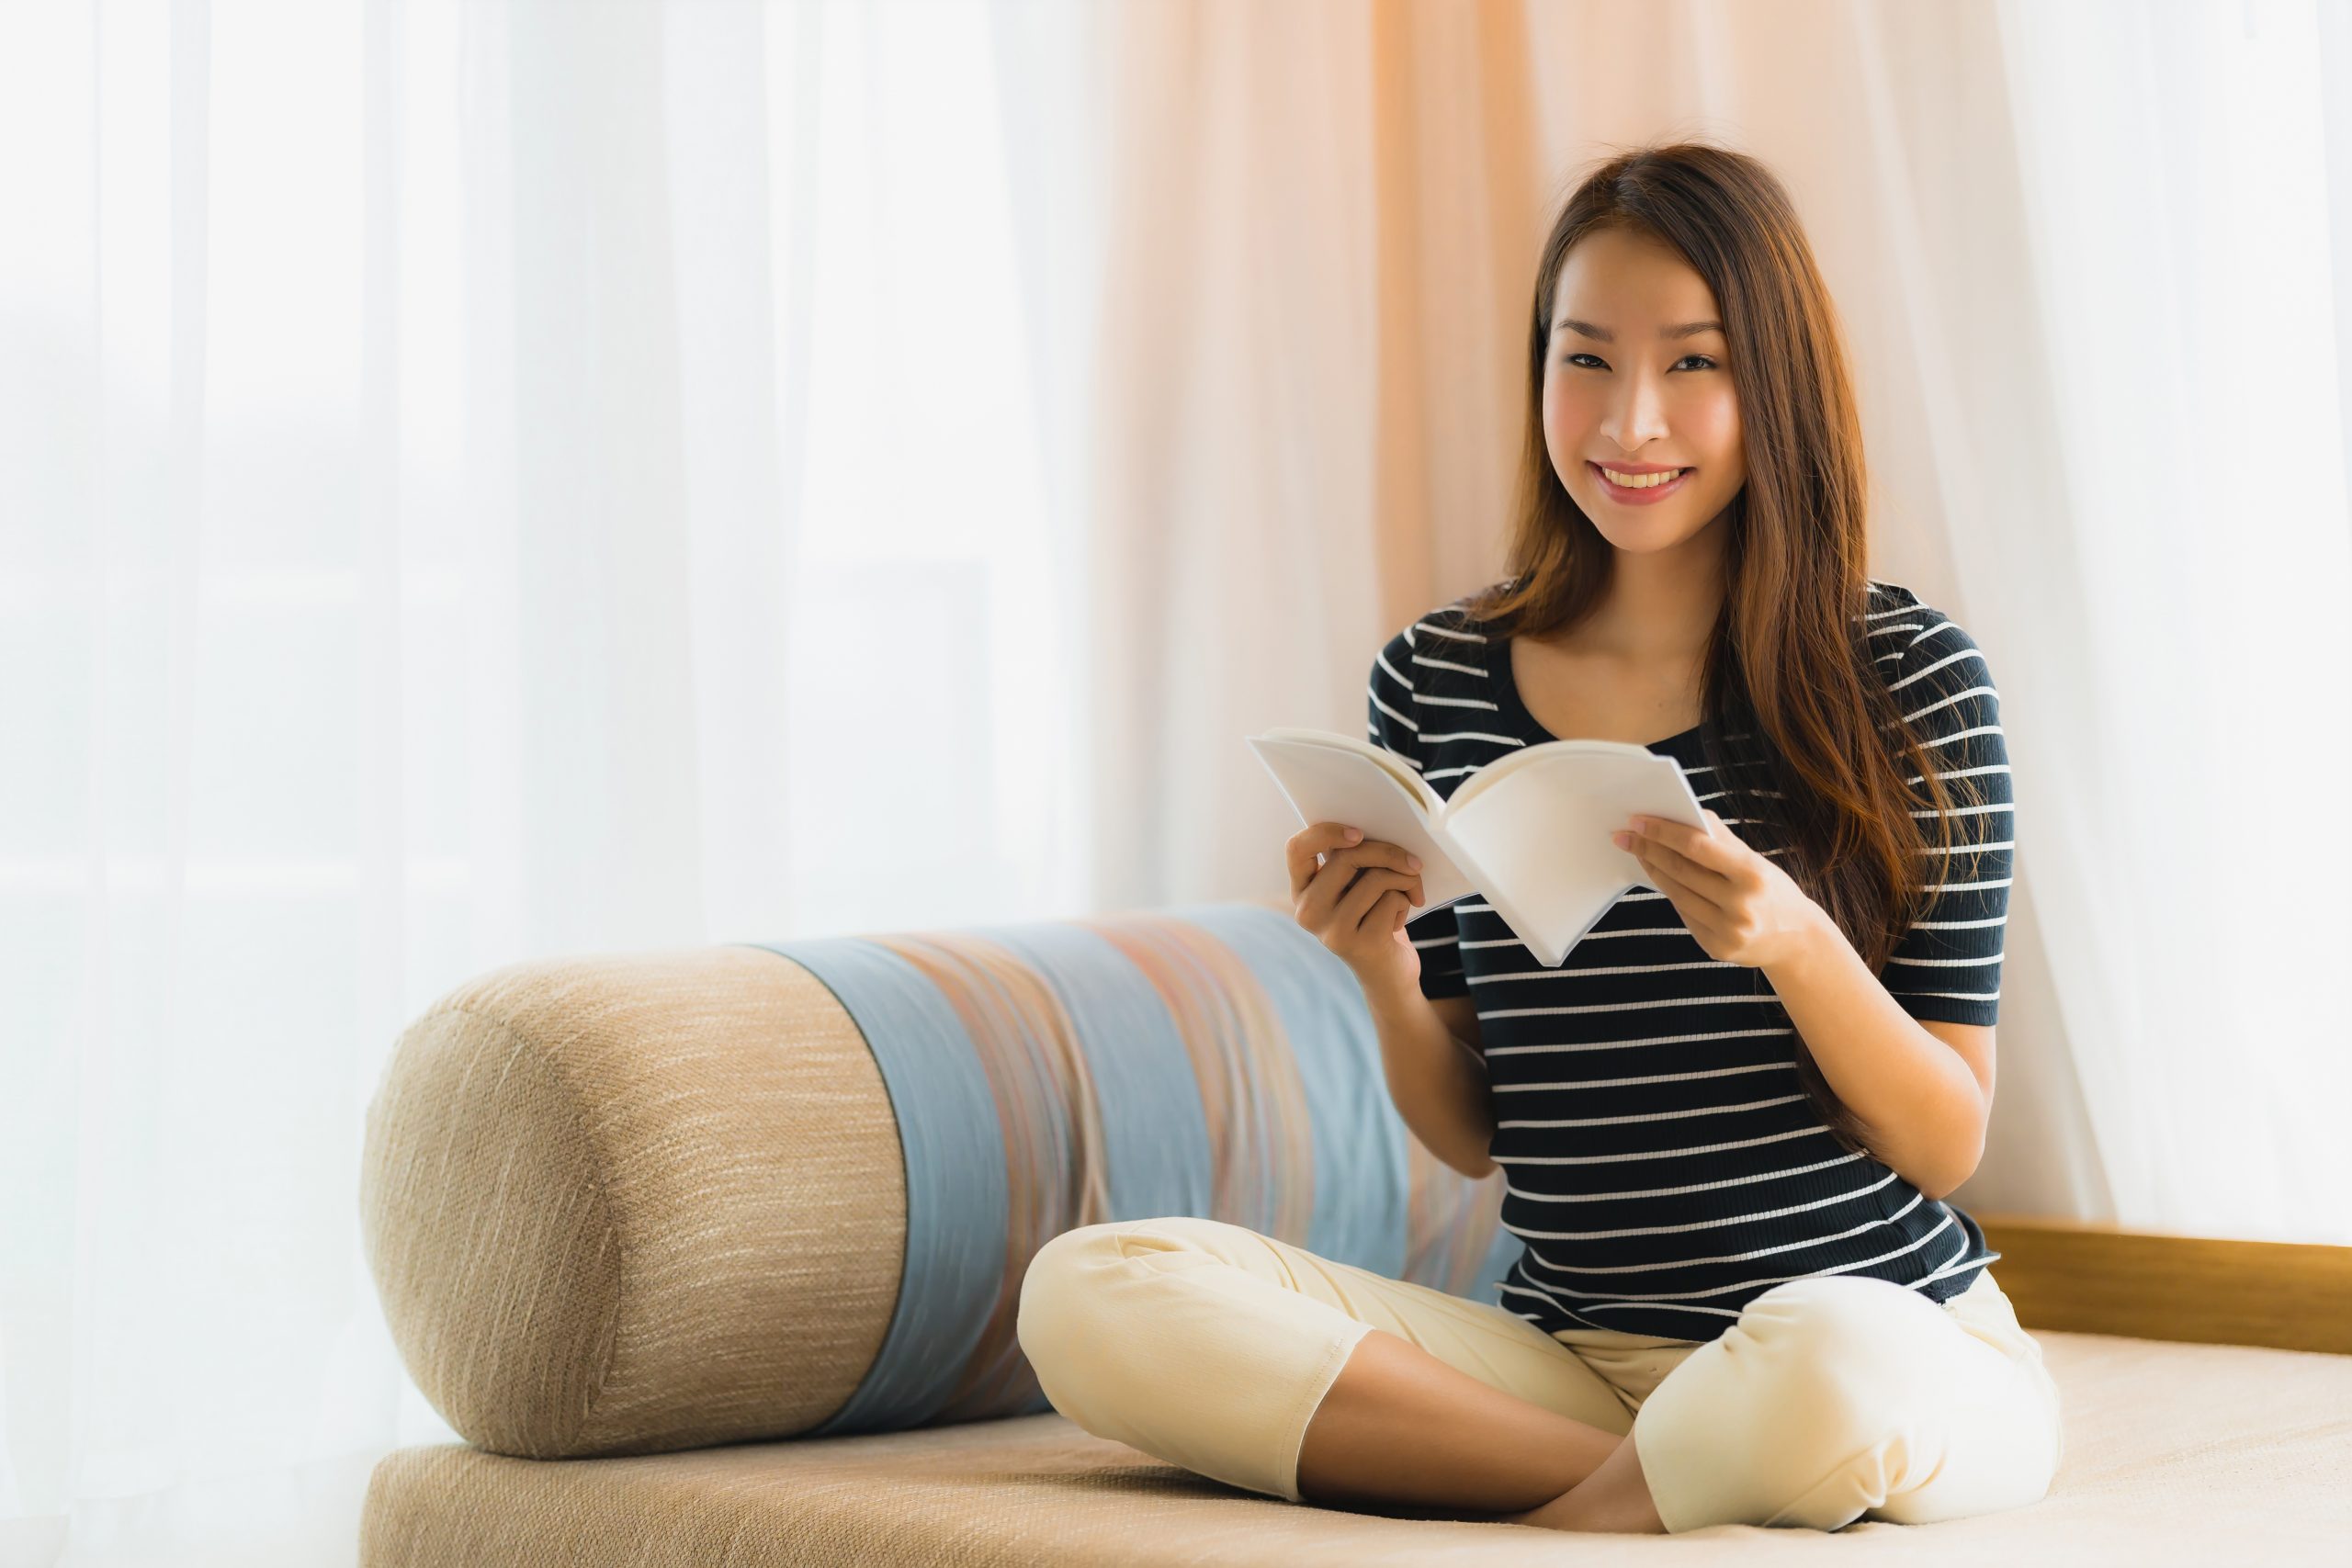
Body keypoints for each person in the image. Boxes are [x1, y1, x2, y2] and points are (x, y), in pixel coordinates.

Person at [1016, 141, 2062, 1535]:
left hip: (1883, 1331)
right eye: (1586, 360)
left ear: (1779, 383)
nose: (1631, 422)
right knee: (1093, 1291)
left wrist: (1795, 944)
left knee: (1833, 1368)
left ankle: (1593, 1500)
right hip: (1574, 1362)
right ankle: (1629, 1493)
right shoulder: (1438, 679)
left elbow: (1946, 1141)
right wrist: (1379, 964)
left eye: (1695, 363)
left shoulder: (1912, 681)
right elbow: (1472, 1134)